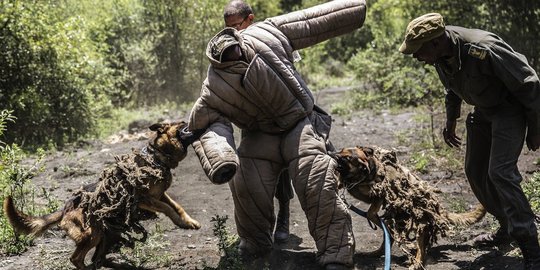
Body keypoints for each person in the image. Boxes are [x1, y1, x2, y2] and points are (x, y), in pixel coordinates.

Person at [188, 1, 367, 269]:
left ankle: (336, 255)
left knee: (317, 177)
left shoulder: (265, 33)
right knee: (246, 184)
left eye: (238, 49)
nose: (238, 56)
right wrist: (220, 158)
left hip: (300, 123)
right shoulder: (214, 84)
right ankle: (255, 246)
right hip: (260, 135)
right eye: (231, 57)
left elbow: (308, 23)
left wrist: (354, 10)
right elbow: (206, 121)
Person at [399, 13, 540, 269]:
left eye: (418, 52)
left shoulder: (482, 48)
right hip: (483, 111)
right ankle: (506, 227)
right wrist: (451, 120)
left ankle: (531, 247)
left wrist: (536, 128)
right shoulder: (441, 55)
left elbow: (529, 82)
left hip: (510, 110)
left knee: (501, 172)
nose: (417, 58)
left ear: (435, 42)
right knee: (474, 170)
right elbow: (452, 87)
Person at [222, 0, 294, 244]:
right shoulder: (230, 44)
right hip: (251, 119)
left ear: (250, 19)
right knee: (250, 172)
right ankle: (260, 227)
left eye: (237, 25)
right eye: (229, 27)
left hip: (278, 115)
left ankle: (284, 215)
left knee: (282, 169)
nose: (234, 31)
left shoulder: (270, 38)